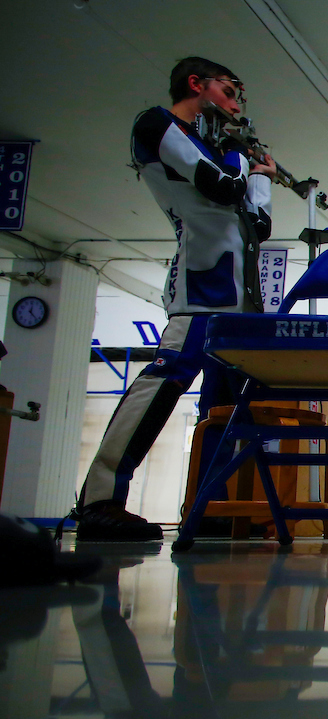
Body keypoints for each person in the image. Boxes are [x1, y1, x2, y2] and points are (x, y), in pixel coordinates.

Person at [73, 57, 277, 541]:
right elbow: (225, 189)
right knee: (164, 381)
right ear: (195, 84)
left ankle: (213, 509)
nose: (234, 104)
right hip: (201, 291)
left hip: (236, 298)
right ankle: (100, 498)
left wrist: (261, 174)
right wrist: (238, 156)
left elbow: (259, 224)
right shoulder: (159, 124)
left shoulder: (209, 146)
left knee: (230, 406)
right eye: (227, 91)